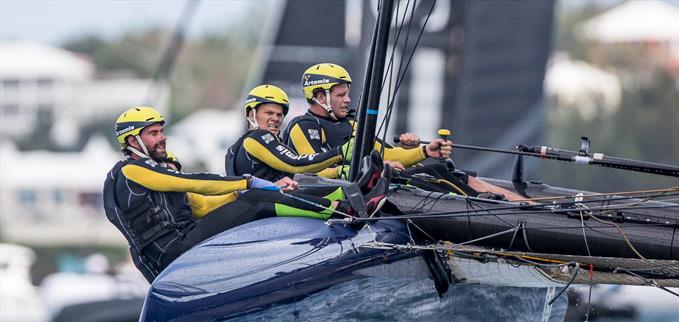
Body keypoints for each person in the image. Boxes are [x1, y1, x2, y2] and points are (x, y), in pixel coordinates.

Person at [104, 106, 354, 282]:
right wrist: (248, 183)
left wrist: (253, 192)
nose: (163, 137)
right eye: (154, 133)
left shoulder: (153, 171)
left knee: (253, 201)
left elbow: (201, 205)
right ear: (134, 141)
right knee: (255, 201)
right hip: (170, 250)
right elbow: (195, 183)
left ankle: (338, 205)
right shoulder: (130, 171)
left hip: (182, 239)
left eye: (161, 131)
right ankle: (340, 210)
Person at [284, 63, 528, 201]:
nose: (347, 100)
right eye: (341, 95)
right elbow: (313, 170)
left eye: (347, 93)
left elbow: (388, 153)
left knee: (449, 169)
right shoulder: (303, 127)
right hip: (353, 194)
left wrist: (424, 150)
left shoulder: (351, 124)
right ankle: (497, 205)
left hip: (378, 181)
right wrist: (381, 165)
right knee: (437, 172)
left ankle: (529, 207)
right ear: (320, 96)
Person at [225, 84, 388, 214]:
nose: (275, 119)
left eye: (279, 115)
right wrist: (339, 152)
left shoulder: (238, 147)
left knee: (317, 185)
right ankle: (351, 207)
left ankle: (363, 194)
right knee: (332, 196)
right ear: (252, 114)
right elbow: (296, 163)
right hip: (260, 207)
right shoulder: (257, 137)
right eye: (269, 113)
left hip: (258, 205)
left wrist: (339, 172)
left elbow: (299, 174)